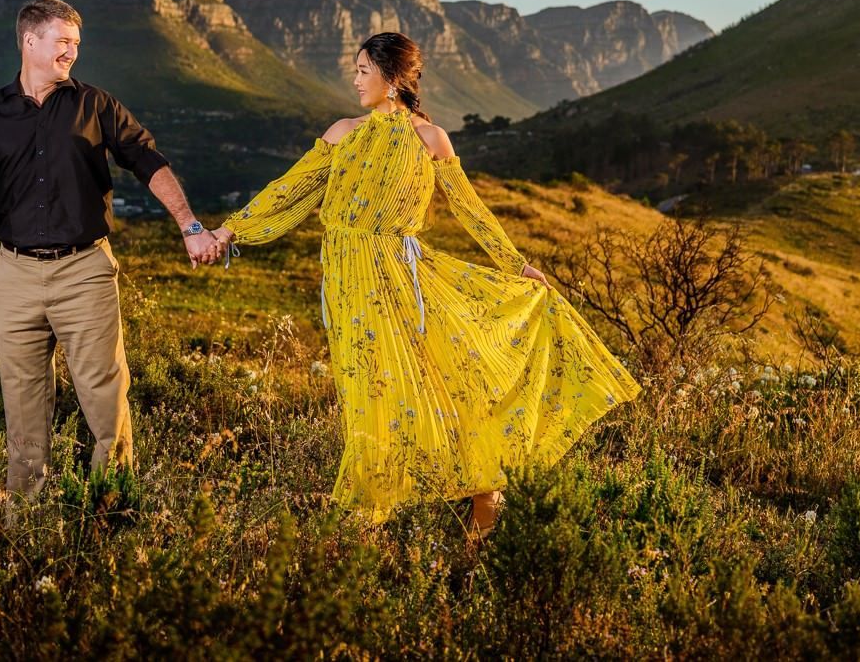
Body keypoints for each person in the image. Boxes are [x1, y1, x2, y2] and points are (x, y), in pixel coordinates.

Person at [214, 32, 640, 531]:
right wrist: (229, 230)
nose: (354, 80)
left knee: (445, 387)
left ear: (393, 80)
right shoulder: (342, 133)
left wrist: (515, 263)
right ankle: (369, 528)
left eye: (363, 71)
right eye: (354, 70)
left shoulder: (430, 139)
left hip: (405, 281)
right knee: (371, 401)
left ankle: (469, 509)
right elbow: (288, 190)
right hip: (350, 288)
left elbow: (469, 208)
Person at [0, 0, 225, 496]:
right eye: (63, 42)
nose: (72, 53)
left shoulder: (95, 104)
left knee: (105, 396)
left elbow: (146, 159)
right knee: (23, 402)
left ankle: (111, 508)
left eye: (76, 44)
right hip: (13, 273)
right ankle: (25, 516)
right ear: (30, 40)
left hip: (84, 270)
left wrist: (189, 226)